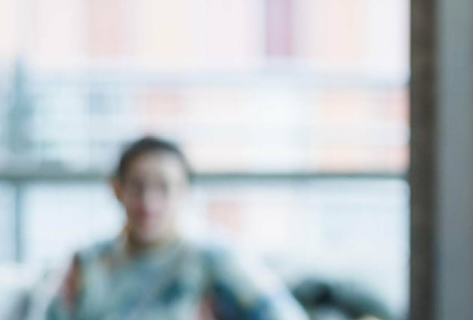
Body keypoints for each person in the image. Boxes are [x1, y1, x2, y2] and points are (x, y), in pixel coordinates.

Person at [46, 136, 306, 320]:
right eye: (137, 187)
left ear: (185, 192)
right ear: (116, 189)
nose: (149, 203)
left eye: (164, 188)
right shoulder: (87, 264)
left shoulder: (213, 260)